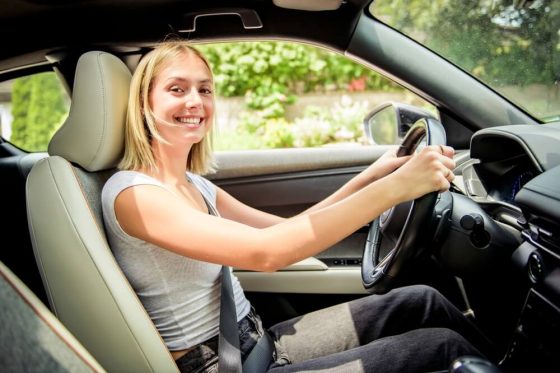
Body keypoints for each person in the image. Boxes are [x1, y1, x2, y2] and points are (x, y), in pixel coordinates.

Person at [101, 40, 493, 372]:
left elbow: (289, 228)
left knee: (422, 300)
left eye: (204, 89)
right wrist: (393, 189)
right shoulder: (135, 196)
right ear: (144, 104)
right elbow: (268, 252)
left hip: (255, 342)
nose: (195, 101)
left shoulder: (194, 185)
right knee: (441, 347)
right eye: (177, 89)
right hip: (220, 364)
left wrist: (372, 177)